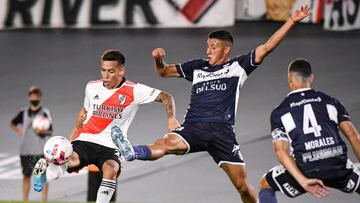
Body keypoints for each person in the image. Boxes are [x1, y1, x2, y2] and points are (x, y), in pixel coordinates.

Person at [115, 5, 311, 203]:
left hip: (222, 132)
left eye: (213, 47)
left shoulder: (238, 66)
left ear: (226, 49)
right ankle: (133, 151)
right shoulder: (197, 67)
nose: (208, 51)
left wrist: (291, 21)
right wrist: (158, 60)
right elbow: (164, 71)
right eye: (207, 46)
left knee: (243, 187)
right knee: (166, 144)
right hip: (194, 127)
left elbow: (268, 47)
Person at [32, 50, 180, 203]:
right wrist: (72, 138)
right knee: (70, 161)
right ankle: (43, 176)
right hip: (86, 139)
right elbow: (83, 113)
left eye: (111, 71)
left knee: (111, 169)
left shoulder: (134, 90)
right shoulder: (92, 87)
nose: (106, 76)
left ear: (121, 70)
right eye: (103, 70)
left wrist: (171, 118)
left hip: (112, 144)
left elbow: (166, 96)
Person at [258, 58, 360, 203]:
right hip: (337, 165)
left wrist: (303, 181)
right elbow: (354, 137)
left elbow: (281, 152)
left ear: (289, 79)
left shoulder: (280, 111)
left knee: (265, 184)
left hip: (307, 168)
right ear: (311, 78)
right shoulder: (331, 101)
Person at [10, 86, 53, 202]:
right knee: (26, 176)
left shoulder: (45, 113)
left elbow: (50, 130)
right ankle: (25, 200)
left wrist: (42, 131)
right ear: (29, 97)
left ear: (39, 97)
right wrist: (18, 130)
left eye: (36, 96)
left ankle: (44, 200)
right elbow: (13, 123)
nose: (34, 98)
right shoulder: (23, 112)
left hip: (40, 150)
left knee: (41, 177)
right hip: (26, 150)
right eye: (32, 96)